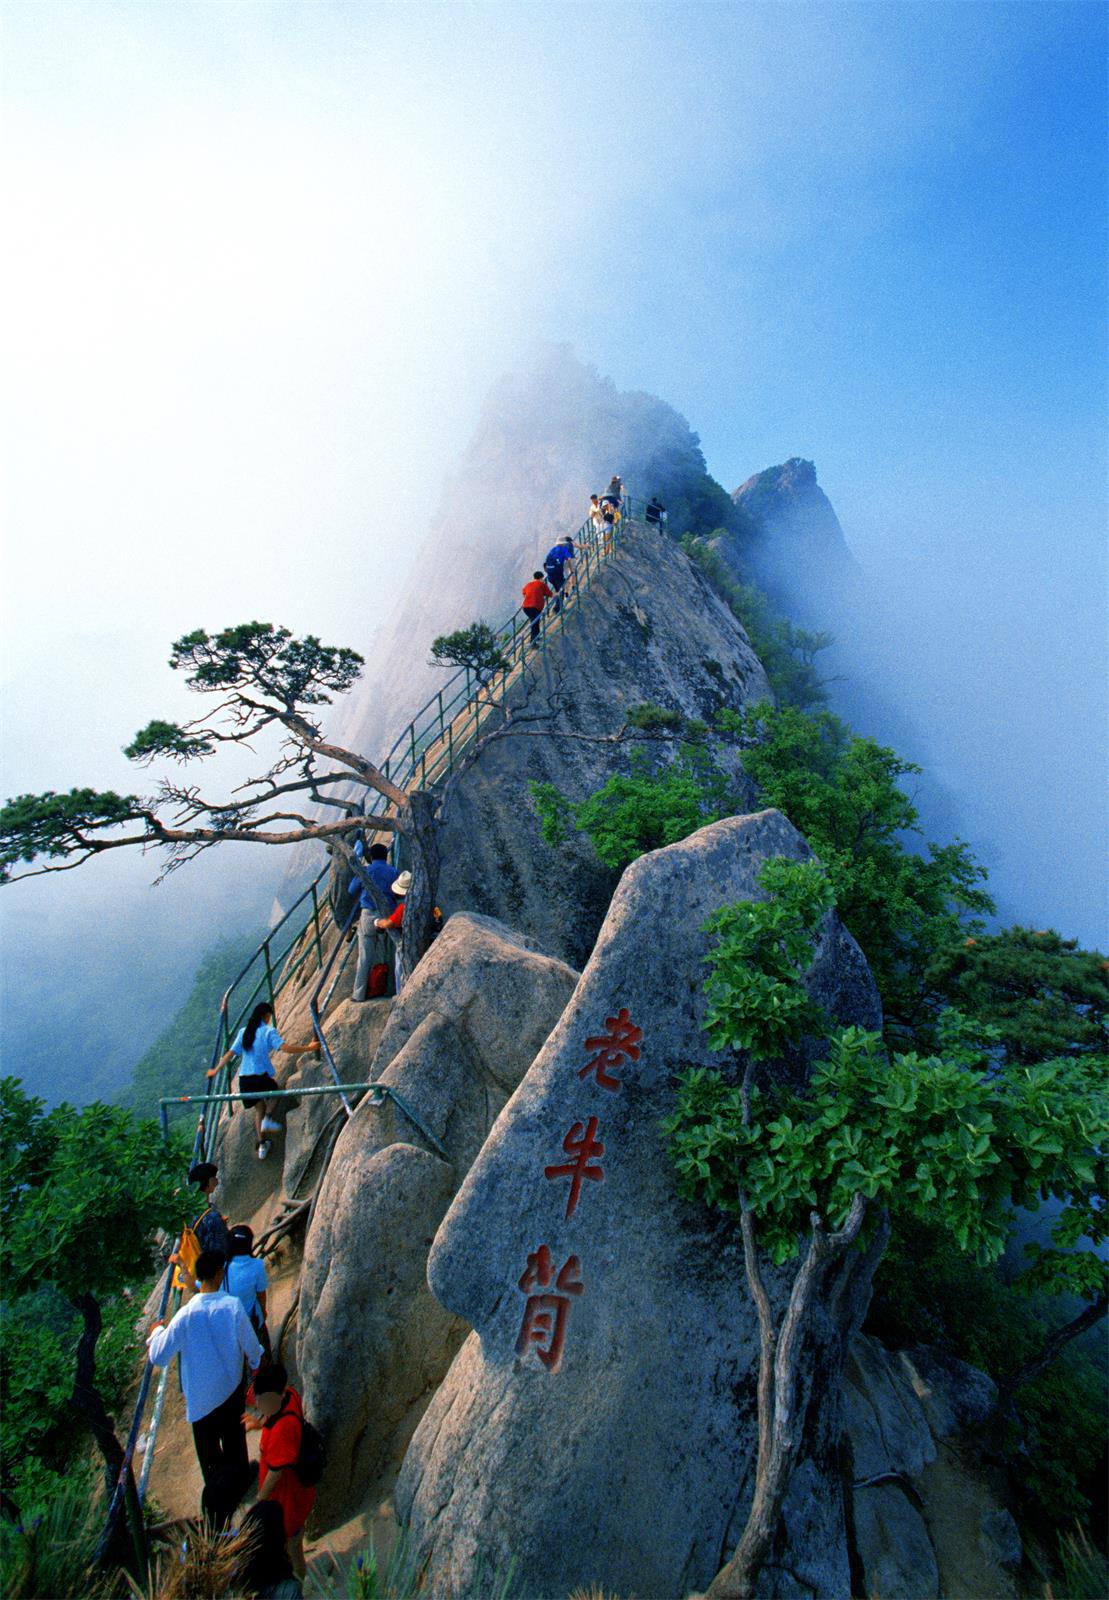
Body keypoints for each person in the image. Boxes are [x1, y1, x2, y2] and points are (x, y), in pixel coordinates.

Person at [147, 1249, 263, 1503]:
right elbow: (253, 1349)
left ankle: (220, 1499)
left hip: (201, 1401)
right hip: (231, 1389)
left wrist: (156, 1332)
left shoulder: (185, 1316)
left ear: (199, 1276)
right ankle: (241, 1482)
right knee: (235, 1442)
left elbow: (158, 1356)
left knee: (210, 1455)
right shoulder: (232, 1307)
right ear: (220, 1273)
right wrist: (255, 1366)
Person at [209, 1003, 321, 1161]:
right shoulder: (268, 1031)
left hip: (244, 1081)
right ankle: (268, 1119)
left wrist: (216, 1069)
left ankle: (262, 1145)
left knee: (258, 1108)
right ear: (266, 1015)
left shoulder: (244, 1032)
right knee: (275, 1093)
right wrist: (309, 1048)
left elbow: (230, 1054)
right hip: (259, 1077)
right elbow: (286, 1048)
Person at [244, 1364, 317, 1579]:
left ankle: (298, 1586)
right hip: (294, 1494)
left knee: (293, 1550)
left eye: (264, 1400)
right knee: (292, 1545)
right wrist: (261, 1426)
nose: (259, 1405)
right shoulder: (290, 1398)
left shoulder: (283, 1430)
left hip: (287, 1501)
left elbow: (276, 1473)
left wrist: (261, 1500)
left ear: (280, 1394)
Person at [348, 839, 398, 1000]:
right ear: (386, 856)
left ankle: (359, 994)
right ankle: (390, 989)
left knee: (365, 956)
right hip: (387, 917)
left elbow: (351, 890)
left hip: (368, 916)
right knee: (387, 955)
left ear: (371, 856)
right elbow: (398, 894)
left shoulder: (366, 870)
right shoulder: (393, 872)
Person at [225, 1224, 271, 1361]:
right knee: (260, 1353)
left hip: (230, 1323)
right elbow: (261, 1293)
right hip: (252, 1320)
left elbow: (198, 1285)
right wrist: (263, 1310)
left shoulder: (222, 1267)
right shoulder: (257, 1265)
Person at [187, 1161, 231, 1263]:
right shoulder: (211, 1216)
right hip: (213, 1266)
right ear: (210, 1181)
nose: (217, 1180)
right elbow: (222, 1247)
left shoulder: (188, 1210)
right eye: (215, 1177)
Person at [374, 870, 410, 993]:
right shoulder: (422, 902)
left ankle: (401, 995)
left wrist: (377, 922)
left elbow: (389, 923)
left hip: (406, 943)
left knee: (400, 969)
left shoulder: (404, 907)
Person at [543, 536, 576, 615]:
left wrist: (548, 572)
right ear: (563, 544)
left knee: (558, 590)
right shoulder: (563, 550)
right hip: (558, 574)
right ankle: (557, 609)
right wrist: (571, 570)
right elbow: (569, 560)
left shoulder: (552, 550)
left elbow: (545, 562)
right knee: (561, 591)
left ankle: (557, 607)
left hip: (550, 575)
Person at [521, 570, 554, 645]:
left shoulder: (528, 584)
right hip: (535, 607)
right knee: (534, 622)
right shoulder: (541, 584)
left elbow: (524, 593)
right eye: (542, 578)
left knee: (535, 621)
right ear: (541, 578)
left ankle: (537, 636)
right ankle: (533, 642)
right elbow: (550, 594)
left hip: (526, 607)